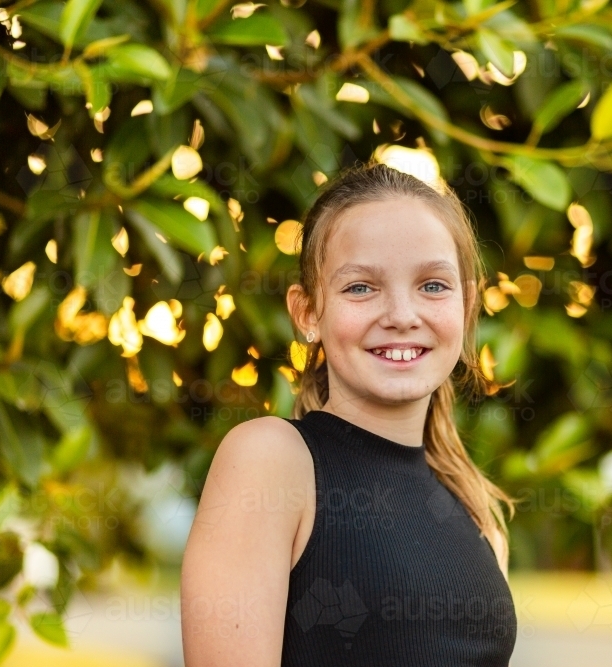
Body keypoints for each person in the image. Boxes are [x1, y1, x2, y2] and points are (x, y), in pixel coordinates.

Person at [181, 161, 518, 666]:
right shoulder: (271, 462)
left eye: (432, 285)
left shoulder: (475, 511)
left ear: (467, 307)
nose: (402, 316)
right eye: (361, 287)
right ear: (308, 313)